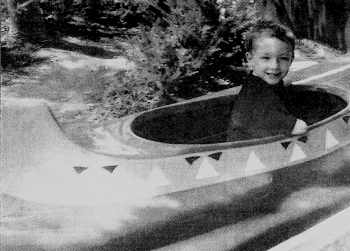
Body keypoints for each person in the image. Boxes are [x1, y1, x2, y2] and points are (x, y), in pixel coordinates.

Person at [226, 20, 308, 142]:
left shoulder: (259, 81)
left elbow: (284, 83)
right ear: (250, 59)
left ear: (291, 60)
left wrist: (285, 83)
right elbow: (300, 128)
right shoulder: (256, 102)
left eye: (283, 58)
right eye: (266, 58)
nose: (275, 66)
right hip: (245, 155)